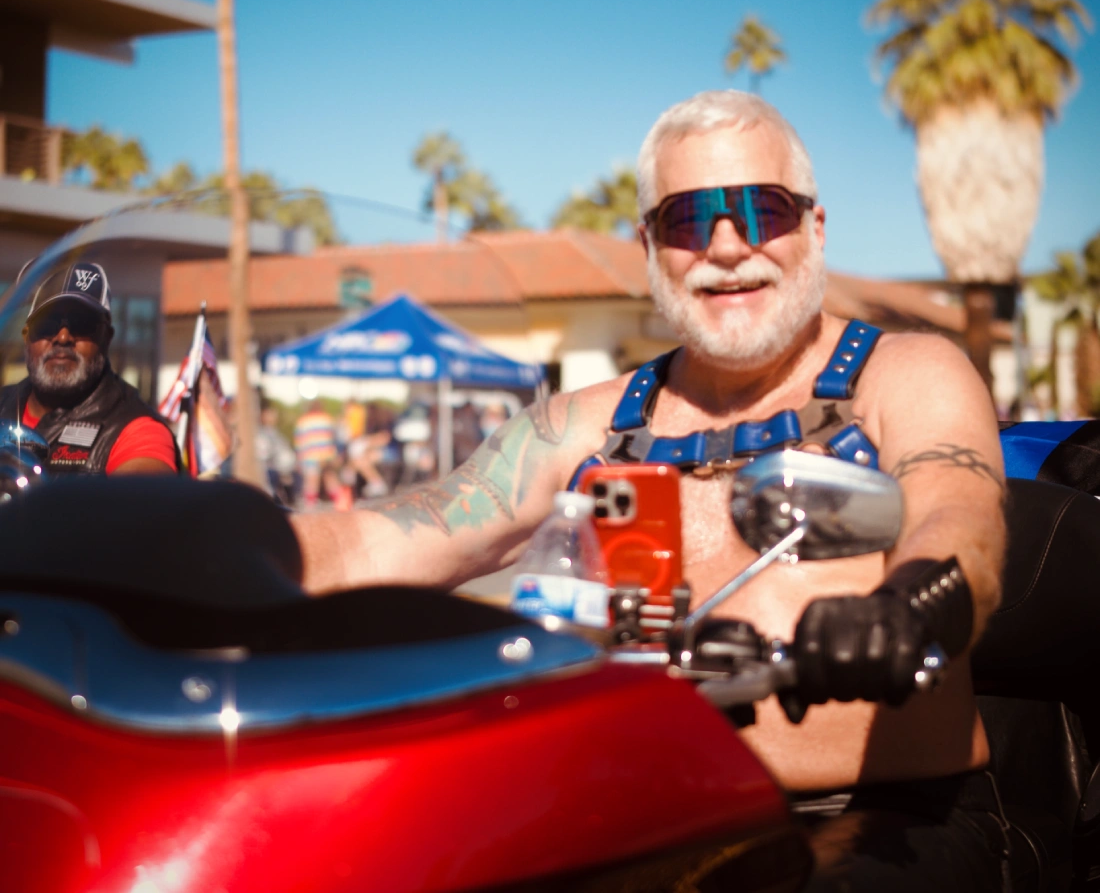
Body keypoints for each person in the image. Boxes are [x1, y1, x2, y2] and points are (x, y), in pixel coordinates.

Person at [293, 92, 1007, 889]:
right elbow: (389, 535)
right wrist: (223, 537)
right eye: (687, 220)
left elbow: (958, 512)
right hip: (638, 827)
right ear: (648, 245)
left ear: (814, 228)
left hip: (882, 820)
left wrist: (907, 605)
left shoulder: (904, 374)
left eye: (762, 210)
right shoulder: (581, 426)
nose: (727, 247)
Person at [0, 261, 179, 475]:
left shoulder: (137, 429)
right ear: (26, 335)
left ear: (107, 337)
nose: (63, 337)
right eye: (48, 322)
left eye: (81, 323)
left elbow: (142, 490)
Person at [293, 399, 338, 506]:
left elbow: (299, 441)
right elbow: (333, 437)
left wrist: (299, 458)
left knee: (311, 481)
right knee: (330, 478)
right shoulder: (327, 418)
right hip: (326, 454)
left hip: (310, 455)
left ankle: (310, 504)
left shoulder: (303, 421)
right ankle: (340, 502)